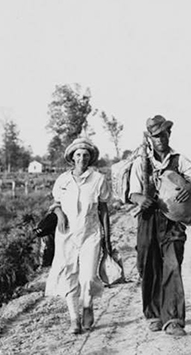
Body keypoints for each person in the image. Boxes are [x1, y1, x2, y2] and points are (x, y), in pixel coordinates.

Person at [129, 115, 191, 337]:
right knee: (148, 265)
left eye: (163, 134)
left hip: (173, 222)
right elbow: (132, 193)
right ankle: (153, 314)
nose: (160, 139)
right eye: (155, 136)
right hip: (148, 220)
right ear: (149, 139)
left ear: (169, 135)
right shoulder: (140, 162)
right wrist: (139, 199)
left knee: (172, 265)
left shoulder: (180, 161)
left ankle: (173, 319)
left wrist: (190, 187)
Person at [45, 138, 112, 334]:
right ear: (72, 158)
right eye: (78, 155)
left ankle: (88, 304)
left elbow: (104, 209)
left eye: (85, 155)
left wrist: (108, 238)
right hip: (66, 235)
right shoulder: (63, 181)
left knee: (89, 277)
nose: (82, 158)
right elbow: (55, 204)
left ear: (90, 158)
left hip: (90, 234)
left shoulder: (98, 179)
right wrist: (59, 215)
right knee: (69, 275)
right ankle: (74, 319)